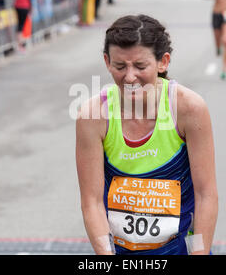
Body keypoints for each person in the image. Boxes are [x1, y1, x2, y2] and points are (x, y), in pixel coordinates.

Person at [75, 15, 218, 255]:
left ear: (163, 62)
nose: (130, 77)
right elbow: (92, 203)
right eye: (120, 67)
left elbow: (206, 196)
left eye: (140, 66)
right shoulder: (93, 115)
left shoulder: (188, 108)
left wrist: (199, 253)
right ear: (107, 62)